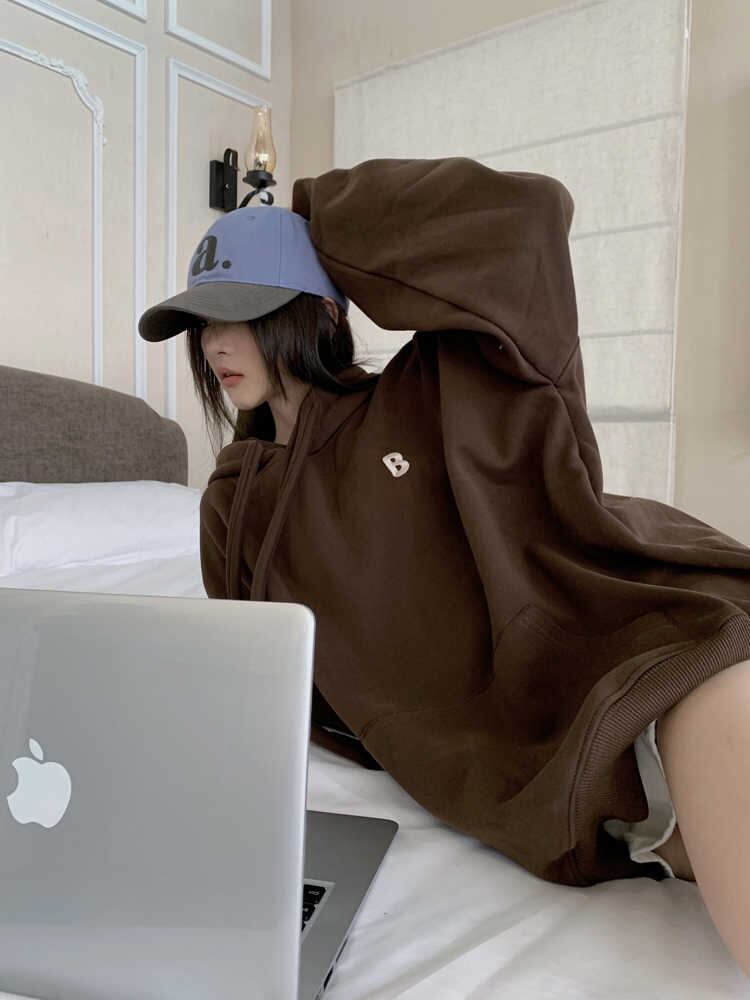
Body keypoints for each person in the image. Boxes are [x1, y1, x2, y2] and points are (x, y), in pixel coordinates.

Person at [139, 157, 750, 976]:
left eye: (241, 313)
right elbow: (262, 677)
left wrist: (317, 220)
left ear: (316, 312)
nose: (215, 343)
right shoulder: (231, 504)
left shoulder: (425, 394)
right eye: (201, 322)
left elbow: (526, 221)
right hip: (574, 787)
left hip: (656, 659)